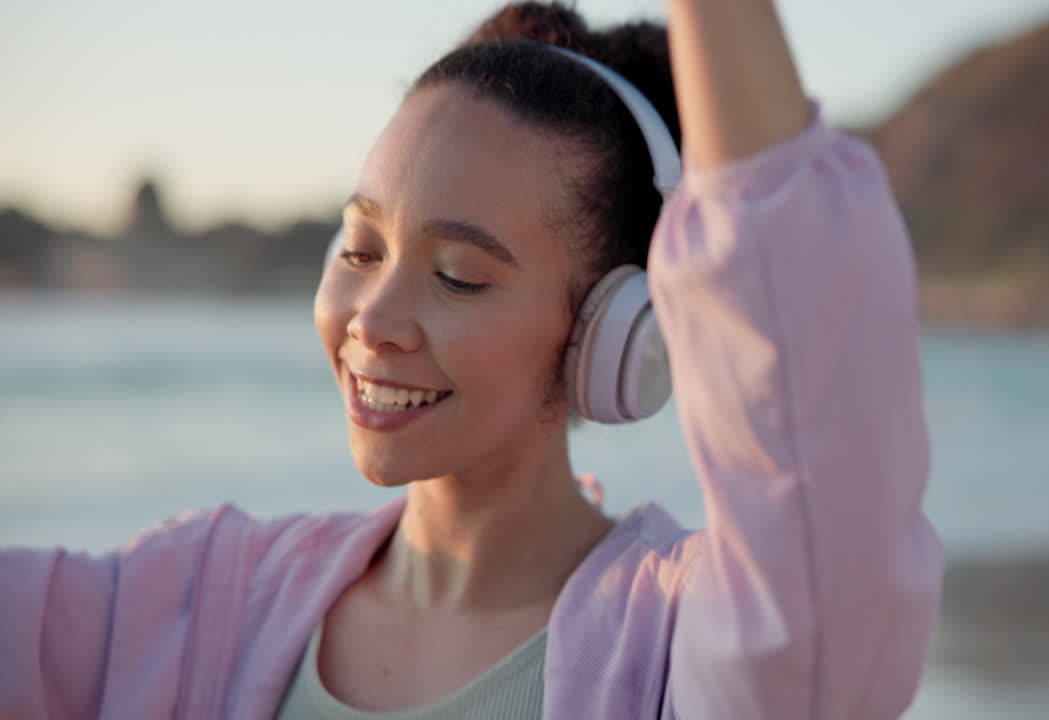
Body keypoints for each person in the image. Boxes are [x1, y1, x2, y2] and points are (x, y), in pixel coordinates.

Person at [0, 2, 942, 718]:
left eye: (457, 277)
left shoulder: (680, 646)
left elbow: (813, 453)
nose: (374, 320)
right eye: (360, 250)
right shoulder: (198, 597)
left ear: (619, 336)